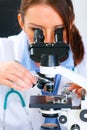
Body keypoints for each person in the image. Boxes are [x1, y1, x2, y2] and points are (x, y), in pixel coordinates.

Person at [0, 0, 87, 130]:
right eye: (36, 30)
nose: (48, 41)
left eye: (59, 30)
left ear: (71, 23)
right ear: (21, 22)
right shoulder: (3, 50)